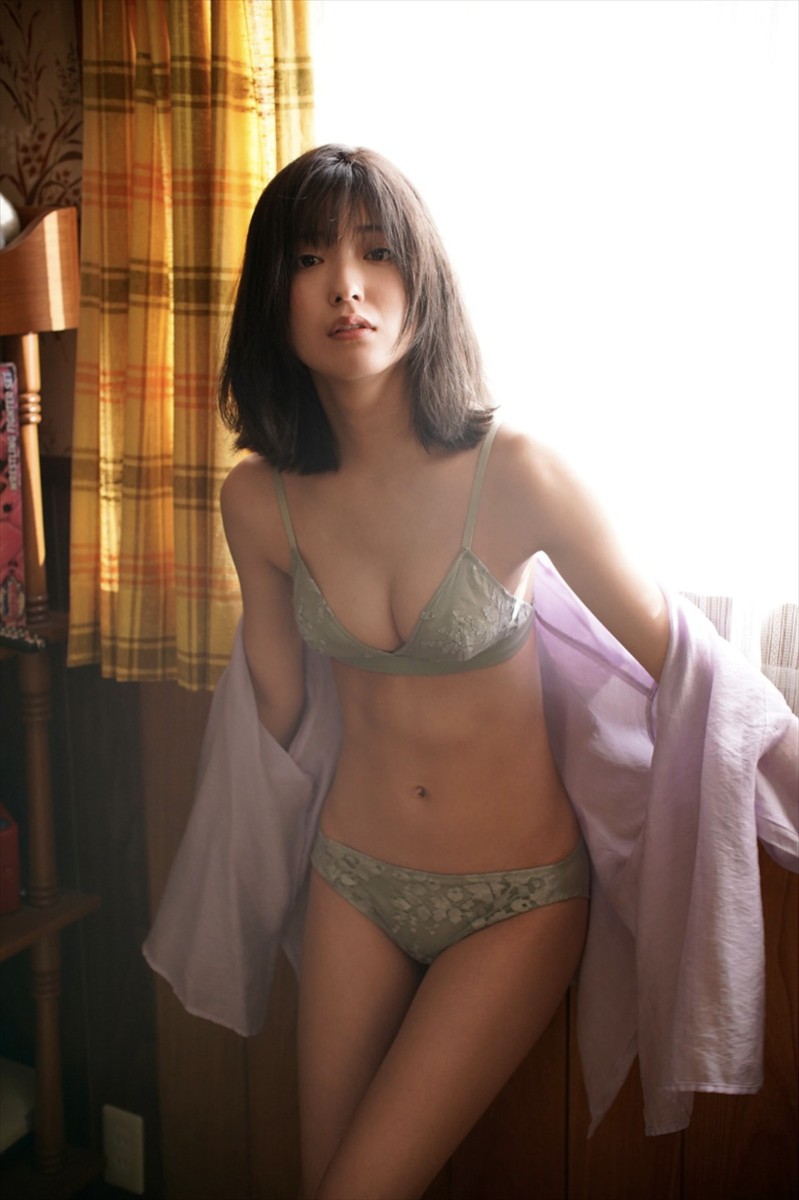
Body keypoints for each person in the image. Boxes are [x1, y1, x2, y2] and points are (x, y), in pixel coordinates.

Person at [215, 143, 673, 1200]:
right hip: (353, 881)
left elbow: (676, 662)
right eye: (308, 259)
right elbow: (273, 709)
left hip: (517, 899)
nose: (345, 285)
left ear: (423, 280)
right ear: (271, 298)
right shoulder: (259, 501)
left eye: (377, 253)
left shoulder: (516, 473)